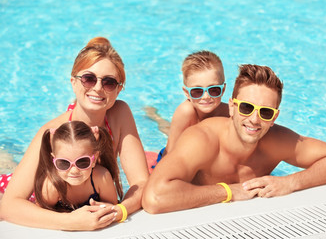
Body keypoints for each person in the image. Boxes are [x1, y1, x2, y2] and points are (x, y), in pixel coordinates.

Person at [142, 64, 326, 214]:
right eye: (246, 107)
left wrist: (290, 182)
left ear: (274, 117)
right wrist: (227, 192)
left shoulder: (276, 141)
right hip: (165, 163)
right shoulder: (202, 140)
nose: (254, 120)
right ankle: (154, 116)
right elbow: (154, 198)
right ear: (232, 107)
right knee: (170, 131)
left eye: (266, 113)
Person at [0, 37, 149, 230]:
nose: (97, 88)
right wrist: (71, 222)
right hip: (38, 201)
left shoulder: (119, 114)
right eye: (88, 78)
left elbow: (141, 183)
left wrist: (118, 211)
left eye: (109, 82)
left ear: (119, 90)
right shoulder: (53, 132)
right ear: (73, 82)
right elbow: (9, 206)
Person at [146, 50, 229, 162]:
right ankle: (155, 116)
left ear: (223, 90)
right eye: (197, 91)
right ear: (186, 93)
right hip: (174, 156)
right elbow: (171, 152)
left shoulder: (228, 113)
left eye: (213, 90)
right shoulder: (186, 111)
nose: (206, 96)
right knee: (168, 129)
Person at [35, 121, 121, 211]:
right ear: (54, 160)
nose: (74, 170)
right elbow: (39, 213)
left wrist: (105, 209)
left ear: (94, 159)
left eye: (82, 162)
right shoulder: (53, 185)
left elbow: (113, 206)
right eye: (64, 163)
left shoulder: (102, 177)